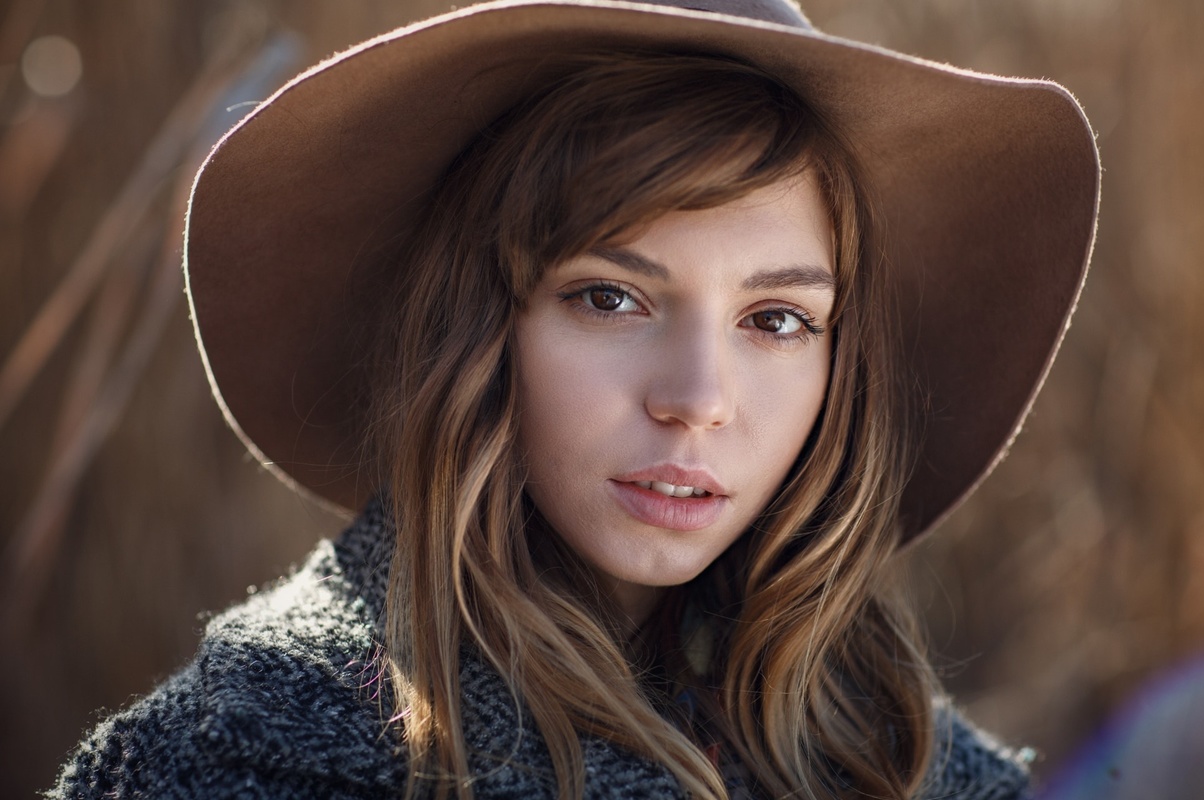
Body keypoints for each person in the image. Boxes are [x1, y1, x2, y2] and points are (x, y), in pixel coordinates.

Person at [48, 0, 1099, 798]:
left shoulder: (906, 760)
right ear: (477, 330)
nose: (696, 400)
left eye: (774, 319)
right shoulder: (221, 759)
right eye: (610, 297)